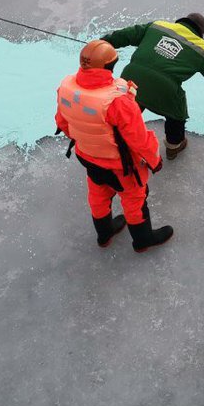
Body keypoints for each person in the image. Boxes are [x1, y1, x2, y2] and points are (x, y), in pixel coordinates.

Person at [55, 39, 174, 253]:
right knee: (134, 199)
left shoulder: (66, 88)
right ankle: (143, 240)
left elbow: (62, 122)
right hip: (121, 166)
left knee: (98, 194)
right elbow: (138, 139)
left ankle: (105, 233)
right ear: (111, 65)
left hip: (87, 156)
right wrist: (155, 161)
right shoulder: (118, 102)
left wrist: (89, 140)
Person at [101, 13, 204, 160]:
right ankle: (173, 146)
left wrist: (103, 43)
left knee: (128, 108)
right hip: (165, 89)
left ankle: (115, 140)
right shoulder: (201, 49)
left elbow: (126, 35)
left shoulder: (157, 26)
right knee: (176, 114)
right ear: (201, 33)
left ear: (181, 22)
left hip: (131, 78)